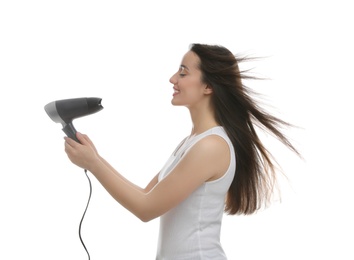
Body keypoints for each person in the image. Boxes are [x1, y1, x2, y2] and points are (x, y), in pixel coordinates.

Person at [64, 43, 300, 259]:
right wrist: (95, 159)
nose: (172, 79)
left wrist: (94, 165)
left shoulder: (211, 146)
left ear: (208, 86)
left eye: (183, 73)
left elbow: (146, 209)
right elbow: (147, 194)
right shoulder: (192, 142)